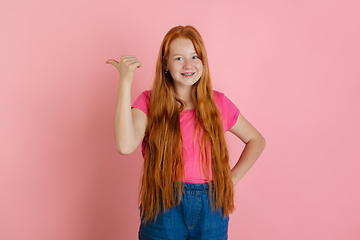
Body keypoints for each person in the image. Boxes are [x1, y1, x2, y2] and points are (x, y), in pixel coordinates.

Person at [106, 25, 266, 240]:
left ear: (203, 62)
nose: (188, 64)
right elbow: (125, 145)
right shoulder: (149, 102)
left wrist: (231, 178)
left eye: (194, 56)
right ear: (166, 64)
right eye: (178, 58)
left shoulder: (218, 103)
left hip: (212, 206)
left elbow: (256, 140)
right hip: (164, 205)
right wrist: (125, 82)